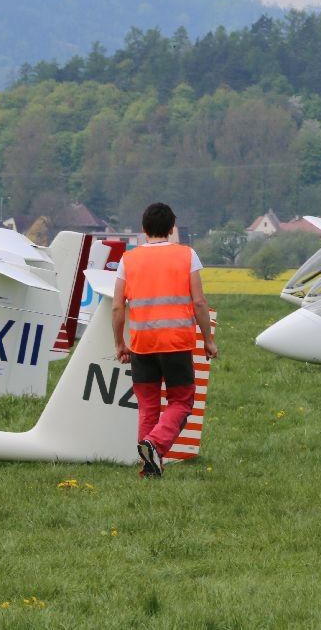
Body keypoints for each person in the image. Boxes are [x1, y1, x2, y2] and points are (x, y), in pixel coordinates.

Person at [112, 202, 219, 477]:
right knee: (182, 401)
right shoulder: (187, 255)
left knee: (148, 406)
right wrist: (207, 339)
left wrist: (119, 344)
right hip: (176, 342)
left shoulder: (128, 259)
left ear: (143, 229)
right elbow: (199, 302)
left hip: (141, 344)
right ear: (172, 229)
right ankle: (155, 445)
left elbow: (117, 307)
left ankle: (148, 466)